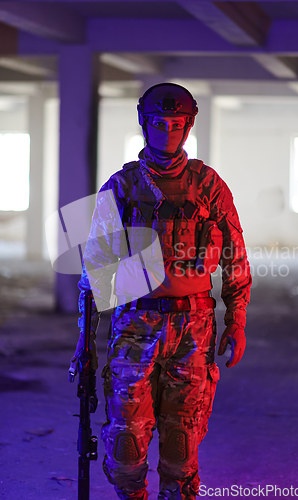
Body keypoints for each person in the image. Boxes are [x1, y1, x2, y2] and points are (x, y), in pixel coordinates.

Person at [69, 83, 252, 500]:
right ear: (144, 124)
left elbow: (235, 259)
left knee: (180, 448)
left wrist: (236, 321)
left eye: (175, 124)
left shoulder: (208, 186)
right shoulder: (122, 187)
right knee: (126, 450)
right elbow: (95, 272)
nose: (167, 133)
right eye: (158, 124)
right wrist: (85, 341)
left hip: (194, 329)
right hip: (135, 327)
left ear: (187, 127)